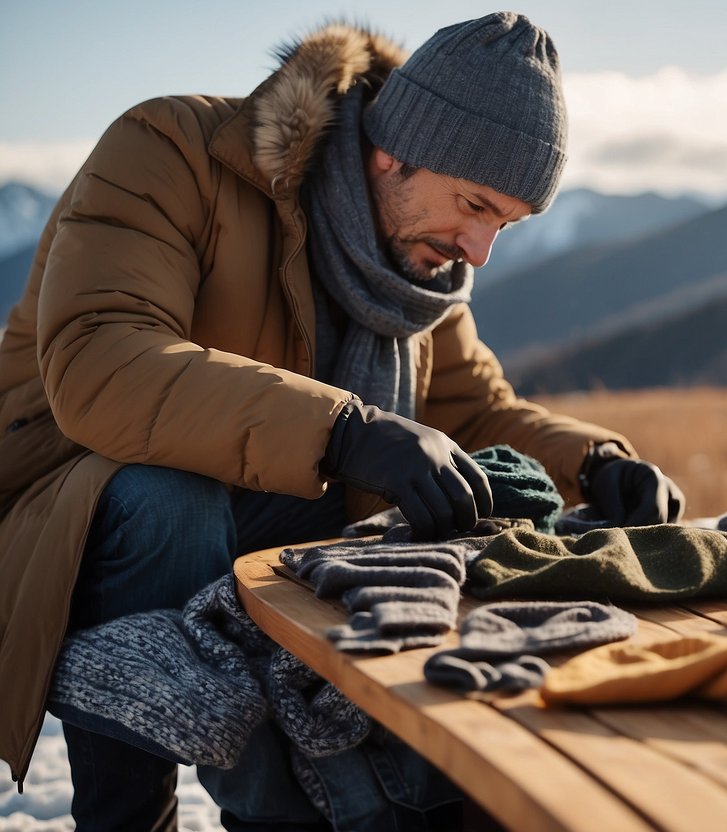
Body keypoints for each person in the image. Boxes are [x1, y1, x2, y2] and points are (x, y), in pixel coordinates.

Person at [0, 11, 684, 831]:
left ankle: (307, 811)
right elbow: (100, 361)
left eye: (504, 223)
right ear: (393, 150)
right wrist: (346, 432)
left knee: (450, 518)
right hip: (72, 503)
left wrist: (599, 462)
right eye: (472, 205)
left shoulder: (413, 269)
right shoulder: (171, 148)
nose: (480, 249)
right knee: (168, 500)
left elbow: (474, 411)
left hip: (264, 496)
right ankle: (127, 815)